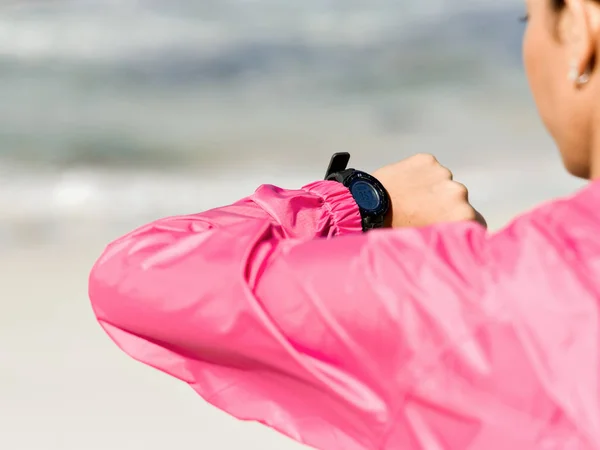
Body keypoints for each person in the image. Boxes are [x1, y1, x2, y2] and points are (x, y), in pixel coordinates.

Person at [89, 0, 600, 448]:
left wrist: (361, 200)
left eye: (526, 18)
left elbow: (136, 273)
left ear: (577, 30)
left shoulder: (473, 294)